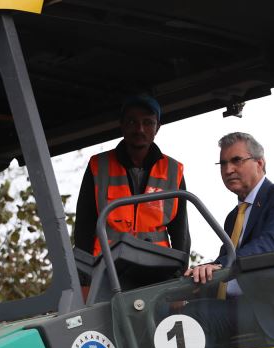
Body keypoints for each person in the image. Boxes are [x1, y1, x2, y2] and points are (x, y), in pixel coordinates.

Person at [184, 132, 274, 342]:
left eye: (236, 161)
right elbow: (225, 264)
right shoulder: (233, 217)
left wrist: (220, 266)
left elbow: (271, 244)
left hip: (268, 310)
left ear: (259, 163)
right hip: (237, 306)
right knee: (175, 311)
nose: (228, 170)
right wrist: (198, 276)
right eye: (222, 164)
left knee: (193, 318)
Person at [73, 94, 189, 257]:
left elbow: (181, 231)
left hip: (158, 267)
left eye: (148, 122)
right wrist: (85, 273)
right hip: (108, 266)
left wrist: (181, 270)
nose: (139, 129)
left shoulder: (173, 170)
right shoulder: (98, 165)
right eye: (132, 122)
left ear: (157, 127)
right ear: (122, 125)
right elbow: (84, 225)